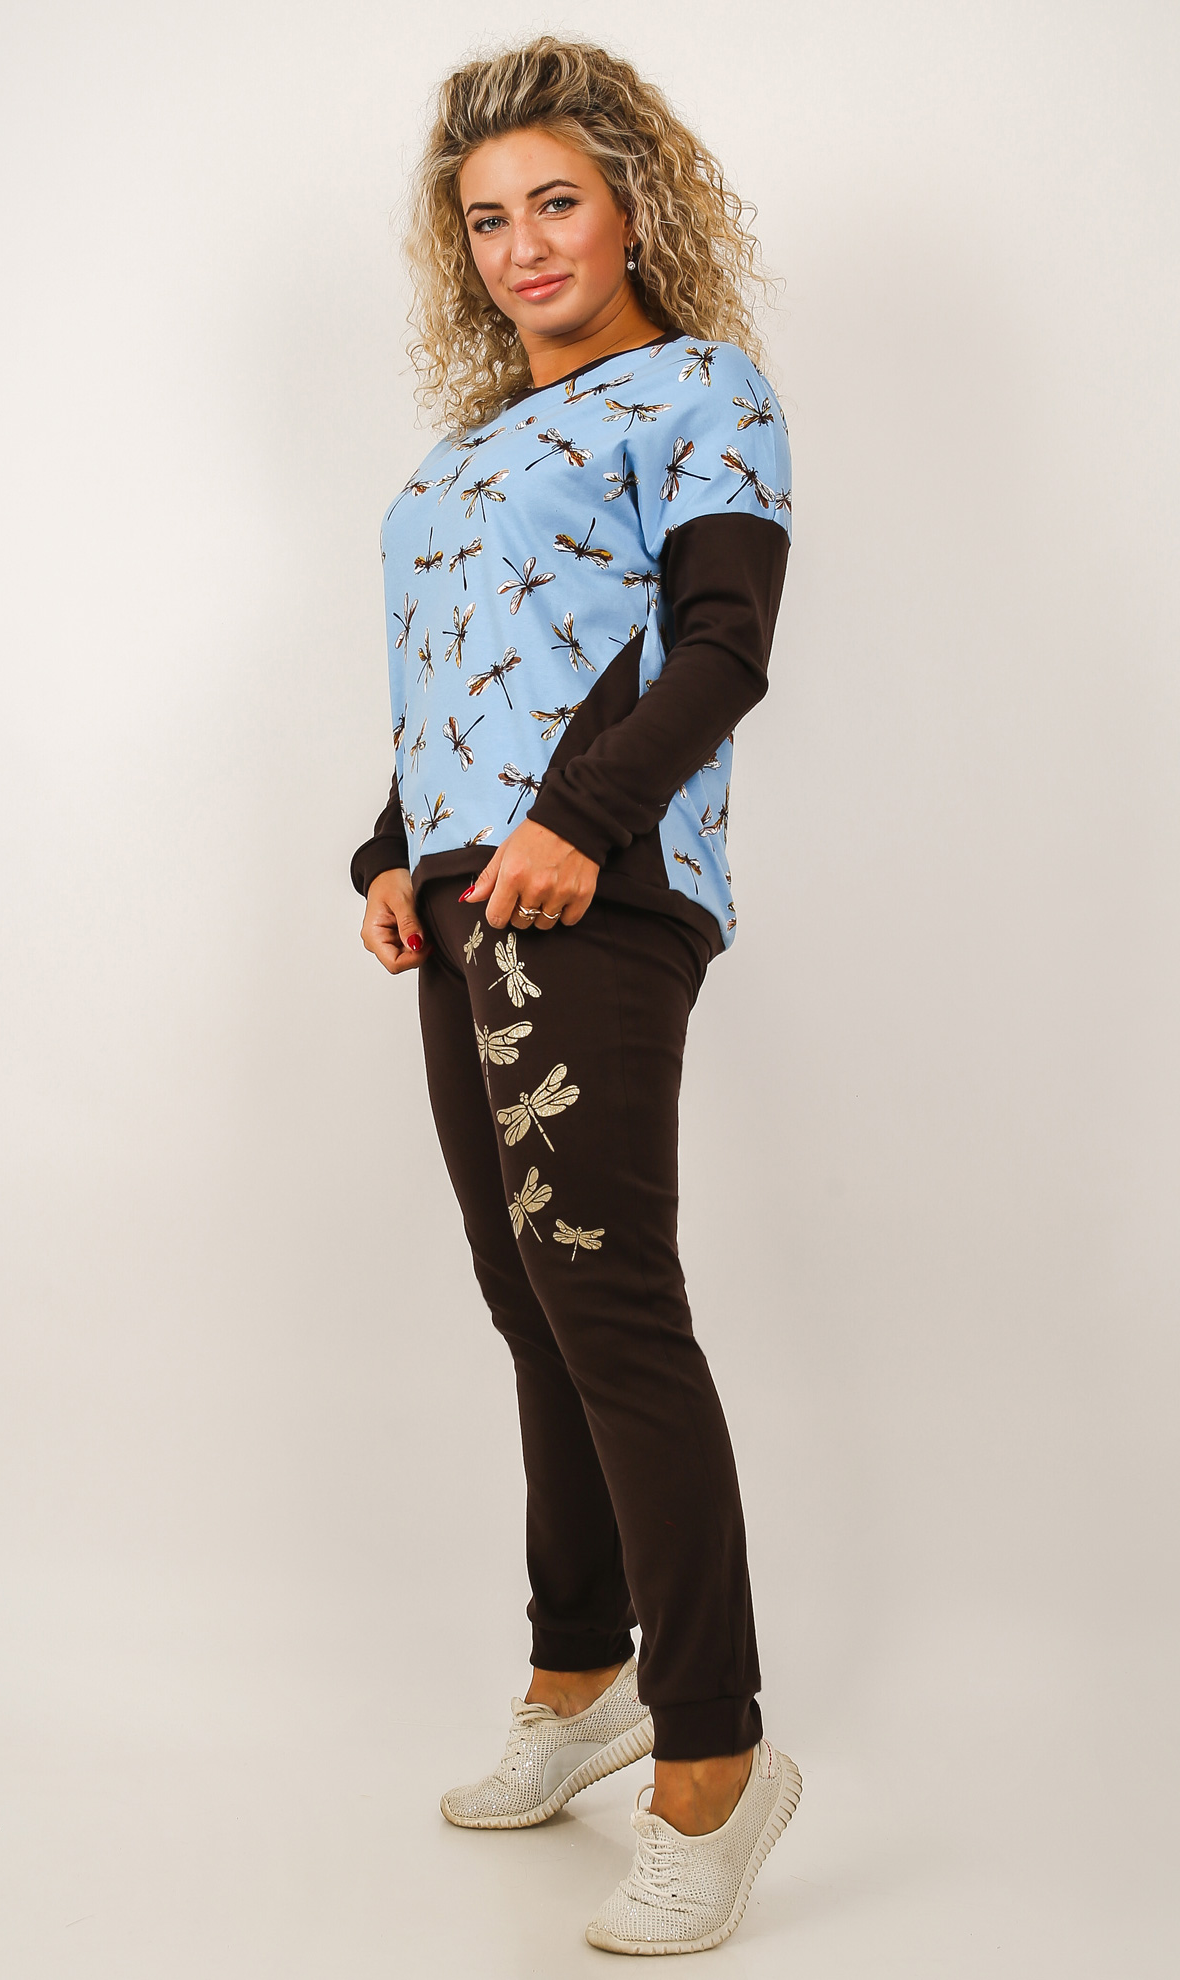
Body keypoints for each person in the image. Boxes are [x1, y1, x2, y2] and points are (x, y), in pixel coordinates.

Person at [351, 34, 800, 1956]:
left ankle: (715, 1759)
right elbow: (460, 678)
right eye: (487, 219)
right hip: (468, 896)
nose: (523, 244)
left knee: (612, 1304)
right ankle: (578, 1673)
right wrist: (389, 849)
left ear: (632, 210)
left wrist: (576, 828)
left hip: (595, 891)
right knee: (529, 1299)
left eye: (556, 202)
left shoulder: (704, 390)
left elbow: (719, 644)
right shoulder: (459, 454)